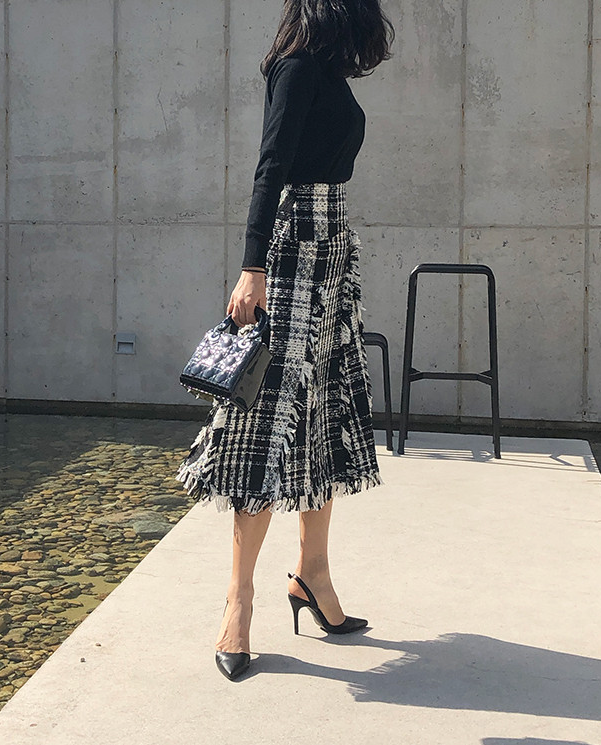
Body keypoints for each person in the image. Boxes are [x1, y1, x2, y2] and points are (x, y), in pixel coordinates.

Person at [176, 0, 393, 681]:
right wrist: (253, 269)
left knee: (324, 420)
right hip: (292, 253)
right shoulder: (296, 69)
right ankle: (237, 602)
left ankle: (313, 576)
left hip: (331, 255)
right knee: (265, 425)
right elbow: (269, 167)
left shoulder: (327, 72)